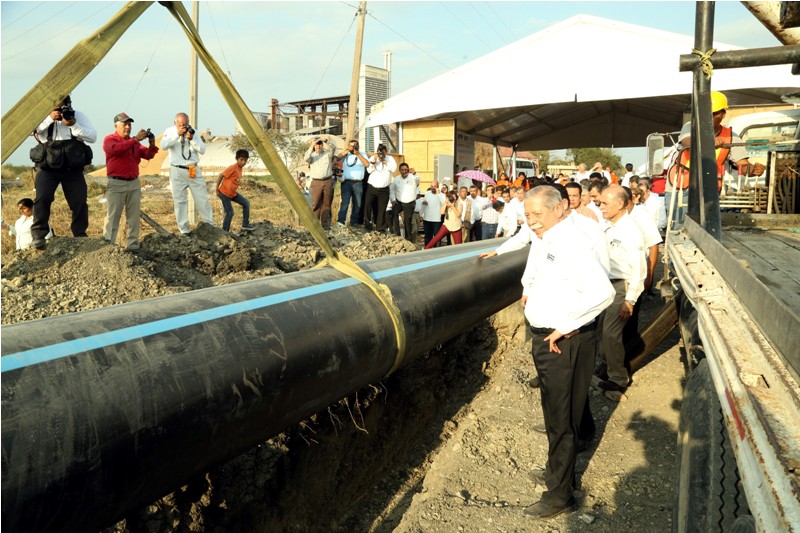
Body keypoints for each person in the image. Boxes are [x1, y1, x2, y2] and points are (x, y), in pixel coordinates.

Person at [519, 186, 614, 520]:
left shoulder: (573, 242)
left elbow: (603, 292)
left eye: (537, 215)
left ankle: (560, 495)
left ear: (559, 209)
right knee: (555, 415)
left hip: (565, 342)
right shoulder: (547, 239)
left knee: (562, 421)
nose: (531, 221)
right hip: (546, 340)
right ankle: (555, 472)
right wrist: (528, 291)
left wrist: (569, 324)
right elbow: (539, 275)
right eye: (527, 215)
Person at [665, 91, 765, 227]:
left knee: (708, 229)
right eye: (706, 112)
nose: (709, 117)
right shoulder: (690, 126)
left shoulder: (731, 137)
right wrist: (709, 142)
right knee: (680, 228)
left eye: (714, 113)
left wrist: (754, 170)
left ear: (723, 114)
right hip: (682, 187)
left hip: (710, 191)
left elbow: (743, 165)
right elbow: (689, 142)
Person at [597, 185, 646, 395]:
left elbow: (638, 268)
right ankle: (607, 367)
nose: (601, 207)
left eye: (605, 203)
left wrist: (630, 299)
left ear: (619, 204)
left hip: (622, 286)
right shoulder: (608, 226)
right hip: (606, 285)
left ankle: (618, 377)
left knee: (610, 333)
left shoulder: (630, 231)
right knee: (600, 331)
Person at [30, 95, 97, 249]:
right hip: (48, 168)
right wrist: (49, 119)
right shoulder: (43, 117)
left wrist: (73, 124)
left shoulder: (78, 116)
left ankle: (80, 233)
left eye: (63, 106)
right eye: (57, 107)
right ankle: (39, 235)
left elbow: (93, 137)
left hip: (72, 169)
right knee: (42, 199)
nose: (60, 110)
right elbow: (31, 131)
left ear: (69, 104)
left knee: (79, 201)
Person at [102, 113, 158, 250]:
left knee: (133, 217)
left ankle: (133, 245)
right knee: (113, 216)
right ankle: (108, 245)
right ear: (116, 126)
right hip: (116, 183)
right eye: (124, 124)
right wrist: (135, 140)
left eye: (129, 124)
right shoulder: (110, 139)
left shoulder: (134, 143)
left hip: (133, 183)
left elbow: (148, 155)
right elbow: (116, 150)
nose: (127, 127)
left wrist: (152, 142)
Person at [160, 112, 215, 236]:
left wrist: (191, 139)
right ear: (175, 123)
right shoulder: (170, 132)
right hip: (177, 170)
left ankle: (210, 225)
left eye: (185, 124)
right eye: (180, 125)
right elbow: (163, 146)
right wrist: (177, 136)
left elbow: (202, 149)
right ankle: (184, 230)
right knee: (179, 201)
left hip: (192, 169)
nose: (183, 127)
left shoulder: (193, 132)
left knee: (202, 199)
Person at [216, 149, 254, 232]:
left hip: (232, 193)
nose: (243, 162)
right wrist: (216, 189)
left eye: (245, 160)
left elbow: (234, 179)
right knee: (230, 213)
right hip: (224, 193)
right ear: (237, 159)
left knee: (246, 203)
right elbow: (221, 175)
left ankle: (245, 225)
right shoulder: (233, 167)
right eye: (241, 159)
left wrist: (238, 183)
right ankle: (225, 232)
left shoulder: (240, 169)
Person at [303, 136, 337, 230]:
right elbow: (306, 158)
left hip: (327, 181)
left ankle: (325, 224)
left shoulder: (327, 153)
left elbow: (333, 148)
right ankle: (315, 224)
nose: (318, 146)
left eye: (320, 144)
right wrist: (312, 145)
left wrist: (326, 141)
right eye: (317, 145)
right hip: (316, 182)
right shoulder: (312, 156)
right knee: (315, 203)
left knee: (326, 204)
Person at [336, 139, 369, 227]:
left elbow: (367, 164)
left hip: (358, 183)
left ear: (358, 146)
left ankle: (354, 222)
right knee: (345, 202)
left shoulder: (362, 155)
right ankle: (341, 221)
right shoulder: (346, 155)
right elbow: (337, 158)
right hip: (346, 182)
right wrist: (347, 150)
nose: (353, 147)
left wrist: (357, 154)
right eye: (351, 145)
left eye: (354, 145)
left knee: (357, 203)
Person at [364, 143, 397, 232]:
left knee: (382, 208)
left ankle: (380, 227)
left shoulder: (390, 159)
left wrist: (384, 161)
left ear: (386, 152)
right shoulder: (373, 158)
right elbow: (369, 170)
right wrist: (374, 161)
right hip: (372, 187)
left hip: (384, 189)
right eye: (379, 152)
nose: (381, 154)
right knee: (368, 205)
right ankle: (367, 224)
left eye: (383, 152)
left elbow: (393, 169)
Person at [390, 163, 420, 242]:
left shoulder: (412, 177)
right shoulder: (396, 179)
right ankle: (397, 234)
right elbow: (392, 189)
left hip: (409, 202)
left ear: (408, 170)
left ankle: (408, 237)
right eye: (402, 170)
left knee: (407, 220)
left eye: (406, 170)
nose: (404, 172)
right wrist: (393, 199)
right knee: (394, 212)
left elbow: (417, 181)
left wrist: (414, 173)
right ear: (400, 171)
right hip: (399, 201)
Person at [421, 180, 445, 246]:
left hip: (436, 219)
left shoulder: (441, 195)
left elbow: (444, 203)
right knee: (427, 237)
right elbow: (424, 203)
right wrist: (424, 203)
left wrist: (438, 194)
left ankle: (437, 252)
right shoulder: (427, 193)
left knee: (437, 237)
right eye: (432, 186)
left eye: (435, 186)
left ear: (437, 187)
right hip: (427, 218)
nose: (433, 188)